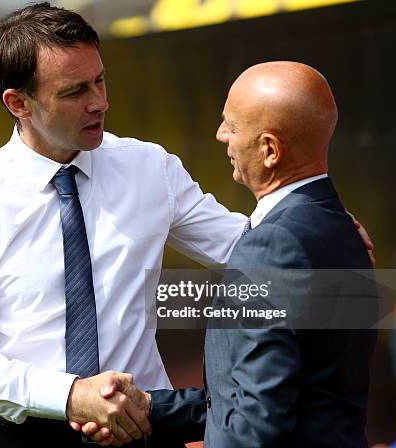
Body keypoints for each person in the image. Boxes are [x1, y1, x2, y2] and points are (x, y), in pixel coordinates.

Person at [0, 3, 248, 447]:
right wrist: (72, 395)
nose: (100, 102)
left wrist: (313, 232)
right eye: (74, 92)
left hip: (143, 430)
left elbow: (245, 248)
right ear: (18, 103)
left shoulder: (150, 169)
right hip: (22, 436)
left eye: (100, 80)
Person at [77, 61, 378, 447]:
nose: (221, 136)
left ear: (270, 150)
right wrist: (148, 407)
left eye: (232, 126)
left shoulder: (270, 246)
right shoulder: (340, 230)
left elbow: (259, 419)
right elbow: (292, 395)